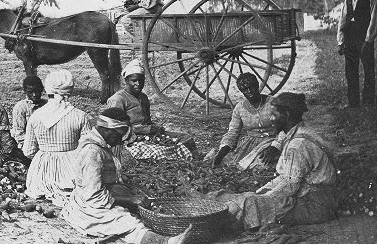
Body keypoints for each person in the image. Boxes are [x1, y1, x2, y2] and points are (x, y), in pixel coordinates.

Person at [61, 108, 192, 244]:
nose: (121, 139)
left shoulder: (101, 145)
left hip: (102, 193)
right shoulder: (92, 152)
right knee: (126, 221)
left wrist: (129, 191)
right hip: (89, 204)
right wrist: (130, 199)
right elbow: (93, 194)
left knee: (139, 203)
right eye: (120, 134)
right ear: (107, 129)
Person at [212, 93, 338, 229]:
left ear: (287, 115)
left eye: (274, 115)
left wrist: (262, 199)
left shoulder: (298, 146)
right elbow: (286, 178)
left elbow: (289, 186)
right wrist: (261, 192)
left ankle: (219, 223)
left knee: (250, 203)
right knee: (249, 198)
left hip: (316, 205)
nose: (271, 119)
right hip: (313, 197)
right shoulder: (299, 133)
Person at [106, 59, 195, 161]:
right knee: (159, 152)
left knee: (186, 138)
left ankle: (198, 161)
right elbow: (114, 128)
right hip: (128, 138)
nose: (138, 84)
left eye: (141, 80)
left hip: (148, 134)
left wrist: (154, 127)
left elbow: (147, 120)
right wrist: (143, 130)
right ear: (126, 81)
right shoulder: (118, 99)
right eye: (134, 80)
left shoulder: (143, 97)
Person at [23, 69, 91, 200]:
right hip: (71, 174)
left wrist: (46, 155)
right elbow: (87, 151)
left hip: (41, 177)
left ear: (47, 89)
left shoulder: (36, 116)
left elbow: (28, 151)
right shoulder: (81, 116)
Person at [208, 73, 282, 170]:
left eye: (252, 87)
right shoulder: (239, 108)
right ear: (241, 91)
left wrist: (276, 146)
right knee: (232, 161)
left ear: (257, 85)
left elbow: (287, 127)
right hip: (252, 144)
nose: (250, 91)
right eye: (245, 89)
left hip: (274, 140)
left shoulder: (273, 103)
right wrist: (221, 153)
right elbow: (233, 132)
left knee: (272, 163)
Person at [337, 0, 376, 107]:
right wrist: (340, 42)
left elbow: (374, 20)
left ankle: (368, 102)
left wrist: (368, 40)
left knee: (368, 71)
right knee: (351, 71)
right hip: (350, 37)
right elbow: (343, 19)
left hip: (364, 38)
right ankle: (353, 103)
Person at [11, 75, 47, 146]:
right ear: (25, 91)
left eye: (37, 91)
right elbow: (19, 134)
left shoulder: (47, 105)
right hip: (28, 144)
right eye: (30, 92)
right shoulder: (20, 108)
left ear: (42, 89)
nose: (34, 95)